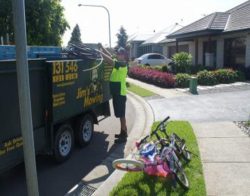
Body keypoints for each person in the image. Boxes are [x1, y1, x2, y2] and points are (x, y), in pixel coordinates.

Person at [98, 43, 128, 143]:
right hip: (117, 93)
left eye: (120, 54)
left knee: (121, 114)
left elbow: (110, 60)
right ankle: (123, 132)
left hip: (120, 93)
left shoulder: (122, 64)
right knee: (120, 114)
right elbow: (111, 57)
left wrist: (100, 52)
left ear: (124, 55)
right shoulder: (118, 62)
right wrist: (103, 48)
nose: (118, 55)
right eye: (118, 53)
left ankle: (124, 135)